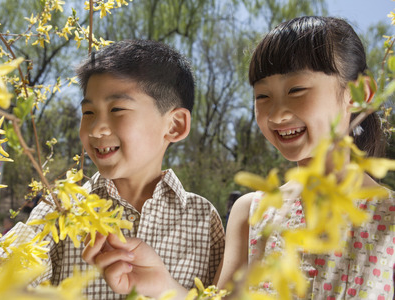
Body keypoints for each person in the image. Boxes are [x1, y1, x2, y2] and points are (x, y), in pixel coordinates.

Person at [84, 17, 394, 300]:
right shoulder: (252, 213)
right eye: (262, 96)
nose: (277, 113)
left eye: (297, 89)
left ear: (360, 93)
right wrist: (162, 284)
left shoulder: (389, 218)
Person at [0, 40, 225, 300]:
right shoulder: (63, 206)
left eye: (117, 109)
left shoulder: (203, 219)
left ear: (175, 125)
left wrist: (167, 289)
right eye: (88, 112)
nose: (96, 129)